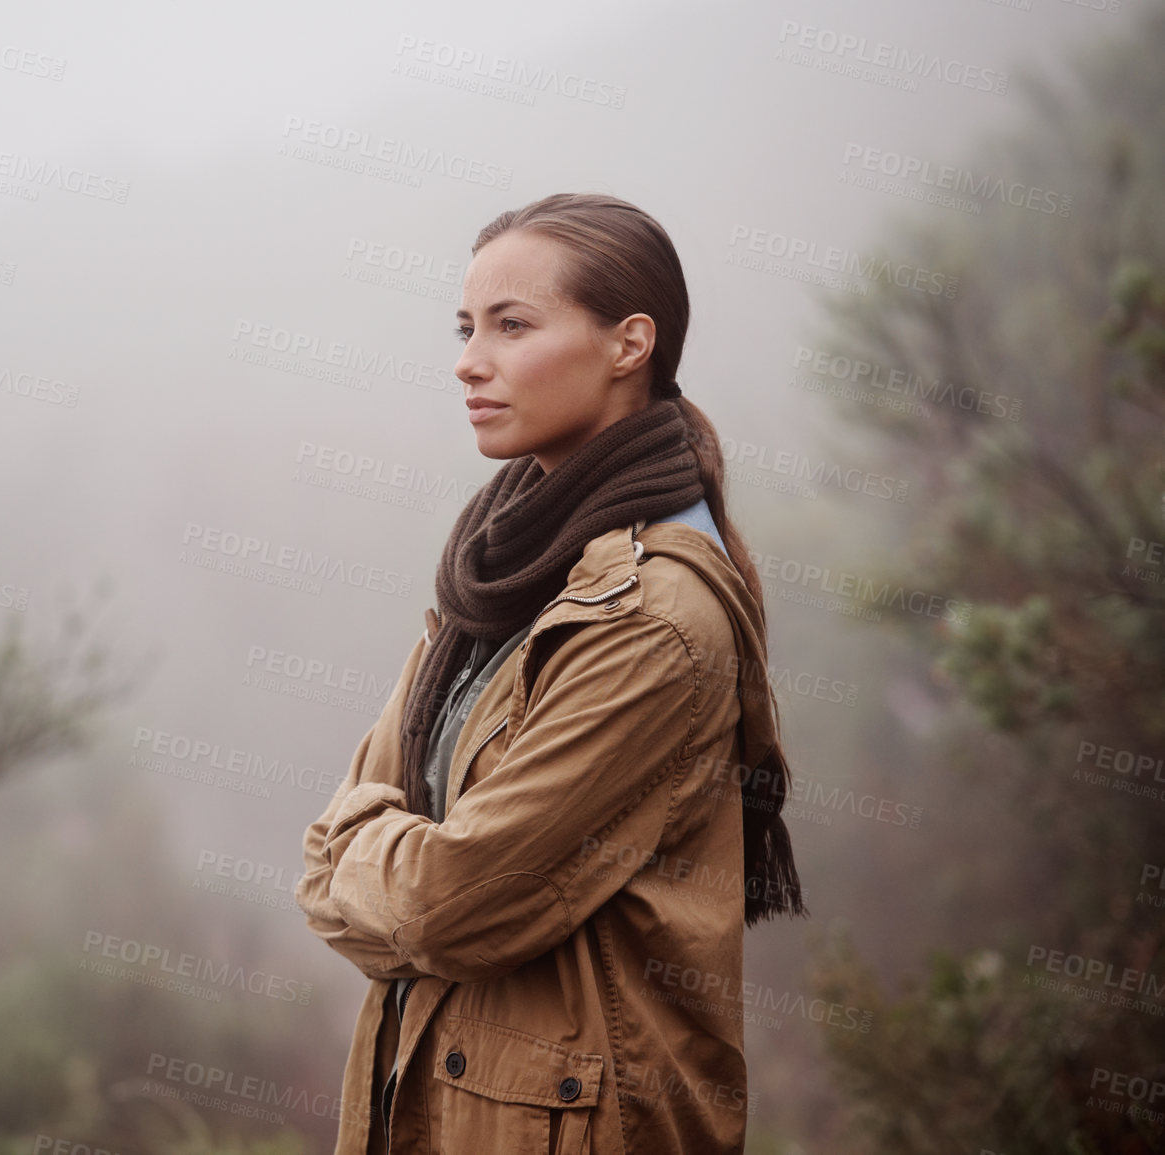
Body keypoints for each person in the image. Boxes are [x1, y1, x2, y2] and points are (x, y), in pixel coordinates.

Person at [295, 192, 807, 1155]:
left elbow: (446, 902)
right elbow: (333, 861)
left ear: (629, 344)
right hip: (452, 1103)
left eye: (511, 325)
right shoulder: (498, 567)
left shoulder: (653, 618)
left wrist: (377, 862)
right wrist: (391, 870)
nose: (467, 360)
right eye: (465, 327)